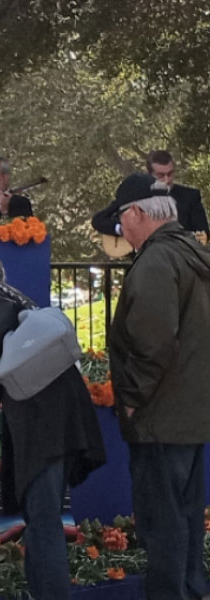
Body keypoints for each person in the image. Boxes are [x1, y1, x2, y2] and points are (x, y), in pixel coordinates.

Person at [0, 238, 105, 600]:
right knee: (42, 516)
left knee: (43, 519)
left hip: (41, 418)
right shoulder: (8, 293)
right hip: (61, 411)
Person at [103, 172, 210, 599]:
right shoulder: (191, 252)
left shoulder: (155, 262)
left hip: (159, 416)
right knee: (185, 516)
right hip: (189, 411)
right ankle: (191, 588)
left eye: (121, 218)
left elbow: (152, 342)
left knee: (162, 523)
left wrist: (131, 400)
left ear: (138, 213)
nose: (119, 228)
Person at [92, 150, 210, 240]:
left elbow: (203, 232)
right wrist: (123, 229)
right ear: (149, 175)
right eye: (160, 175)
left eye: (170, 174)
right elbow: (99, 220)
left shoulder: (190, 196)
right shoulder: (137, 195)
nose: (167, 179)